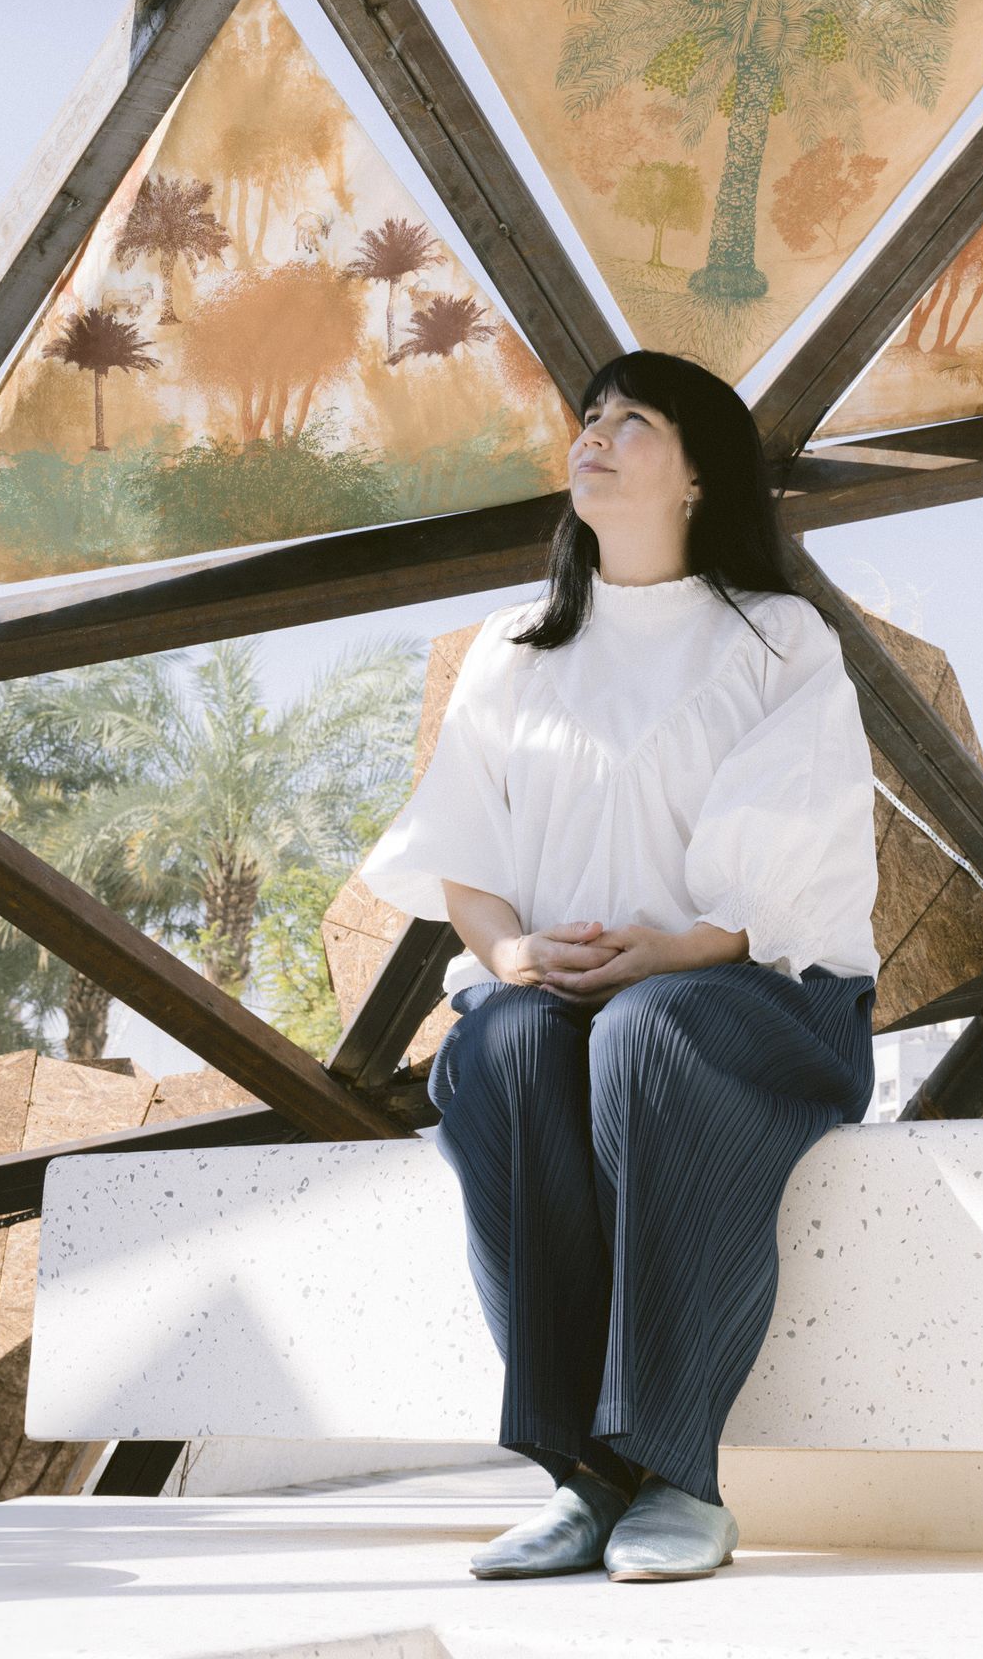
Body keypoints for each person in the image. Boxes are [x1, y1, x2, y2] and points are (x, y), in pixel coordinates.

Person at [358, 347, 880, 1584]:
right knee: (504, 1041)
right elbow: (463, 855)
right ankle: (582, 1481)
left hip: (756, 1002)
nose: (593, 436)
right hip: (565, 1002)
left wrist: (678, 950)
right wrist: (513, 953)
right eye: (589, 419)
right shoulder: (514, 650)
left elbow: (797, 866)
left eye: (632, 421)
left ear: (699, 476)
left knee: (650, 1033)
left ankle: (680, 1476)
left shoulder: (776, 639)